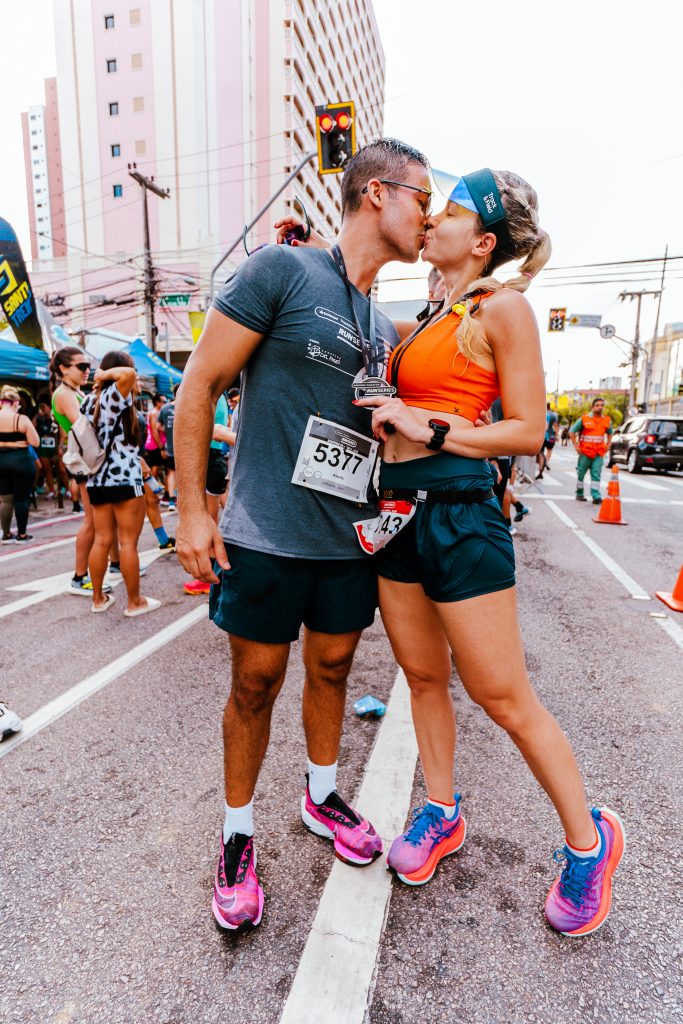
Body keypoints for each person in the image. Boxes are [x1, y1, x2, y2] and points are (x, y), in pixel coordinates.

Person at [349, 166, 623, 937]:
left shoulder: (503, 309)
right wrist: (388, 419)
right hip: (397, 514)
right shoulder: (434, 314)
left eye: (450, 211)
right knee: (421, 676)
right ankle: (441, 812)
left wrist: (422, 424)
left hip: (461, 515)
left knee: (502, 696)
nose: (431, 219)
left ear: (485, 240)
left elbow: (527, 430)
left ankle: (587, 841)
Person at [174, 138, 435, 931]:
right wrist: (191, 509)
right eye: (421, 198)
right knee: (254, 685)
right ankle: (236, 836)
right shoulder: (281, 271)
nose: (428, 215)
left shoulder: (382, 329)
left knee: (331, 667)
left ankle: (321, 797)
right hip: (263, 534)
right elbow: (201, 382)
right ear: (375, 195)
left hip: (345, 539)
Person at [82, 351, 161, 617]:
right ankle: (134, 602)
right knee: (128, 543)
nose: (134, 375)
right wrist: (105, 375)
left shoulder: (88, 401)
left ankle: (98, 598)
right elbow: (126, 375)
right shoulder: (113, 396)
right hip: (125, 479)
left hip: (97, 479)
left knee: (102, 540)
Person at [50, 348, 112, 596]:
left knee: (101, 521)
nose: (88, 370)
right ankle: (79, 577)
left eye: (89, 366)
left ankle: (109, 567)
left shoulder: (75, 392)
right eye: (81, 366)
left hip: (91, 462)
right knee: (92, 521)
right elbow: (84, 428)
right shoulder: (63, 394)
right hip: (85, 463)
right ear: (64, 368)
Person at [183, 392, 234, 596]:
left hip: (210, 457)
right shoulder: (220, 397)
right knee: (228, 511)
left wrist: (222, 434)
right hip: (218, 458)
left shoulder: (210, 393)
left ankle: (209, 577)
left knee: (209, 522)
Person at [0, 385, 41, 542]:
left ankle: (6, 534)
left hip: (1, 461)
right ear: (16, 402)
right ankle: (22, 534)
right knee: (21, 499)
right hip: (21, 461)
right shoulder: (21, 419)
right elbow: (35, 442)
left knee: (5, 500)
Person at [570, 397, 613, 505]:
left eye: (602, 405)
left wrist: (608, 445)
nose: (600, 407)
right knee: (581, 473)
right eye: (597, 405)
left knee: (596, 474)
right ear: (592, 407)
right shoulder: (584, 419)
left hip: (598, 452)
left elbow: (610, 432)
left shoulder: (606, 420)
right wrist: (576, 446)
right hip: (585, 452)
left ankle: (596, 495)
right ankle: (579, 493)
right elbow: (572, 431)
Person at [34, 397, 65, 499]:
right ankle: (51, 490)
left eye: (43, 406)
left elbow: (62, 434)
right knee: (47, 469)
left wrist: (60, 446)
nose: (42, 408)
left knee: (61, 469)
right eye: (40, 407)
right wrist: (36, 415)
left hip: (55, 446)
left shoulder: (55, 418)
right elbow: (32, 426)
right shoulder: (39, 418)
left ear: (49, 407)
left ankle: (67, 490)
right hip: (43, 447)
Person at [158, 386, 178, 511]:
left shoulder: (165, 408)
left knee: (171, 473)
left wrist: (170, 431)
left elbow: (158, 426)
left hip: (170, 447)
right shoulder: (186, 407)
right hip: (185, 448)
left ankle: (171, 500)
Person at [537, 402, 558, 477]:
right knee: (549, 451)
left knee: (540, 453)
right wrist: (557, 436)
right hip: (551, 436)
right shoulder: (553, 415)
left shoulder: (541, 413)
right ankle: (546, 461)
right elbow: (556, 426)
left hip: (542, 436)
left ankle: (540, 470)